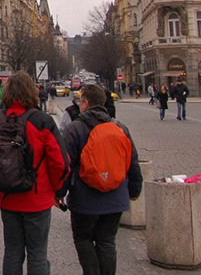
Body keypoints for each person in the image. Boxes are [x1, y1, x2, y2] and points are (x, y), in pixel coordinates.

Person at [0, 72, 69, 275]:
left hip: (8, 196)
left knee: (12, 252)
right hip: (37, 196)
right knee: (37, 253)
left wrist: (0, 175)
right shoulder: (42, 120)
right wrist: (58, 190)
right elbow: (59, 162)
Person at [60, 84, 143, 275]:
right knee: (107, 241)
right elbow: (132, 162)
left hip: (84, 198)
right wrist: (134, 191)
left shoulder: (75, 129)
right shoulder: (120, 127)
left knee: (83, 239)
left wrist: (59, 193)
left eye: (80, 101)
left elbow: (66, 165)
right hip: (115, 196)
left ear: (85, 103)